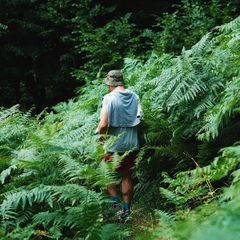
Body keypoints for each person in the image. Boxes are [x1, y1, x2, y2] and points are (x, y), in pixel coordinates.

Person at [97, 70, 142, 221]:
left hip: (113, 145)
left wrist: (101, 137)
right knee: (126, 176)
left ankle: (115, 207)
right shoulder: (134, 96)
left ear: (110, 83)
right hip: (131, 143)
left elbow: (103, 124)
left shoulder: (108, 98)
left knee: (107, 174)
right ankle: (127, 210)